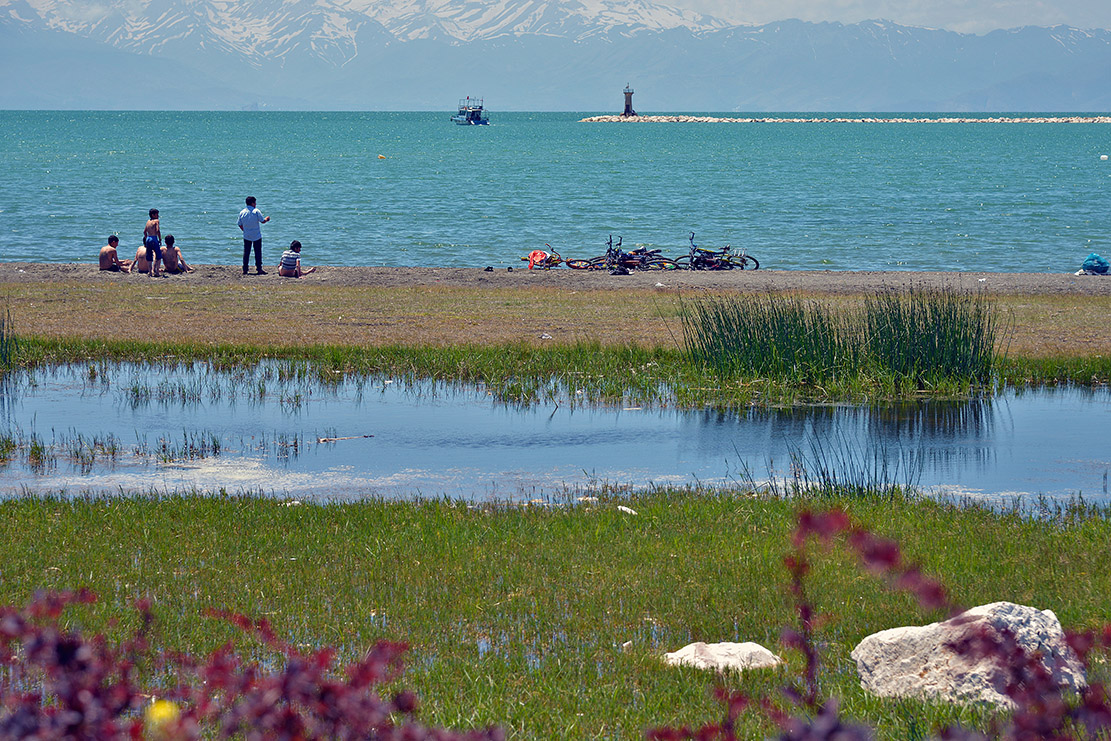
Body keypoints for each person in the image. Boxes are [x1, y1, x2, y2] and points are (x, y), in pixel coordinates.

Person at [237, 196, 270, 275]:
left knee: (246, 253)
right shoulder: (256, 211)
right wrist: (267, 219)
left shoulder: (242, 212)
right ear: (252, 203)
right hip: (256, 235)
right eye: (255, 203)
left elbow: (239, 224)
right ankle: (259, 269)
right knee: (258, 252)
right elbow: (262, 221)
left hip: (247, 235)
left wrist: (245, 231)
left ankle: (245, 269)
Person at [143, 208, 163, 277]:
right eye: (157, 214)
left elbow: (144, 232)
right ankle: (157, 272)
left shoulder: (148, 221)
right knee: (158, 255)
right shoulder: (156, 221)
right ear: (153, 215)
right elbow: (157, 230)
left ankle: (150, 272)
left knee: (149, 256)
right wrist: (160, 239)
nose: (158, 216)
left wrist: (146, 239)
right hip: (154, 238)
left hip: (148, 238)